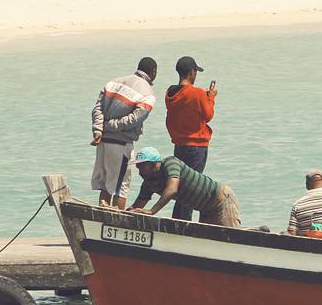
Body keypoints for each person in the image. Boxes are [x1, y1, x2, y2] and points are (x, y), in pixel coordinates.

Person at [91, 57, 158, 209]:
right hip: (120, 145)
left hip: (102, 142)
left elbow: (97, 108)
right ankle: (116, 225)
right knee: (121, 188)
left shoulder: (114, 82)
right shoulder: (148, 93)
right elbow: (133, 119)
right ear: (153, 72)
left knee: (106, 185)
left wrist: (98, 129)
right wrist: (109, 126)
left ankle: (102, 221)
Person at [126, 146, 241, 227]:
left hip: (222, 201)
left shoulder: (170, 163)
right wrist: (124, 213)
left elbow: (172, 190)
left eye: (141, 166)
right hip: (205, 210)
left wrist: (152, 211)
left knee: (233, 243)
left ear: (153, 164)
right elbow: (136, 208)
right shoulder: (148, 183)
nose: (139, 170)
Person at [165, 55, 216, 222]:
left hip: (179, 146)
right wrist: (211, 97)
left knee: (178, 187)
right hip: (197, 146)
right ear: (192, 72)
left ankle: (176, 221)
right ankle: (186, 224)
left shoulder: (170, 93)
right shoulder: (197, 93)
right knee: (192, 188)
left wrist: (204, 97)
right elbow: (208, 115)